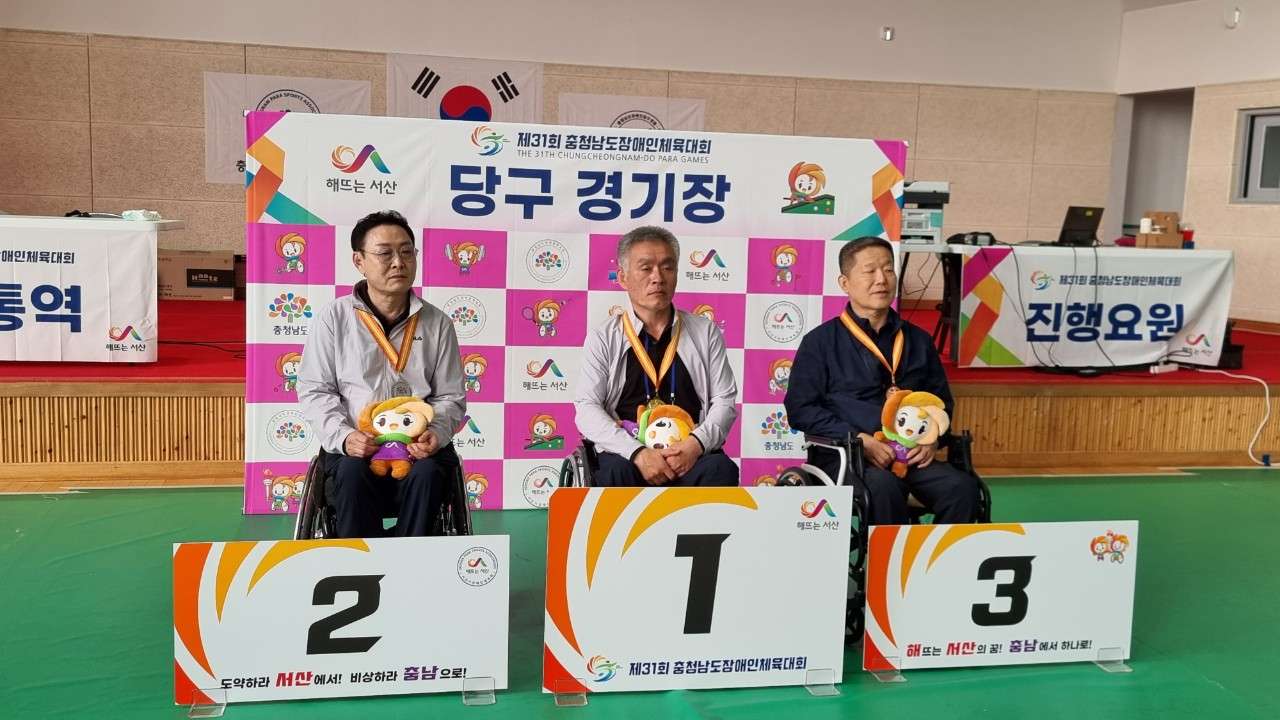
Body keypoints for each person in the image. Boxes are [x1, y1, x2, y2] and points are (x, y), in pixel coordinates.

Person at [784, 236, 978, 524]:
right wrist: (857, 439)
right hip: (848, 457)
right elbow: (801, 409)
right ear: (845, 283)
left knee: (961, 489)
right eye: (870, 271)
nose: (881, 279)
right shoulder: (820, 343)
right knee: (883, 488)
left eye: (888, 270)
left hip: (909, 454)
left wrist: (932, 440)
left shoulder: (919, 340)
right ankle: (887, 555)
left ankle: (935, 553)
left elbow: (941, 403)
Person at [297, 210, 466, 537]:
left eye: (406, 252)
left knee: (429, 473)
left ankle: (411, 559)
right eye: (385, 253)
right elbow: (315, 390)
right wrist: (344, 437)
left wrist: (436, 433)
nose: (398, 263)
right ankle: (357, 562)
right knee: (351, 472)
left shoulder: (438, 324)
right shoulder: (334, 319)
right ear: (359, 260)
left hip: (418, 448)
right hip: (357, 448)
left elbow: (450, 395)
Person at [575, 226, 740, 487]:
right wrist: (638, 453)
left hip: (689, 451)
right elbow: (587, 408)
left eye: (667, 267)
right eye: (646, 268)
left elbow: (724, 400)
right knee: (614, 473)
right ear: (623, 278)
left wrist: (695, 445)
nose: (658, 278)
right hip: (628, 454)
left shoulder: (705, 332)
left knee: (720, 469)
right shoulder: (603, 337)